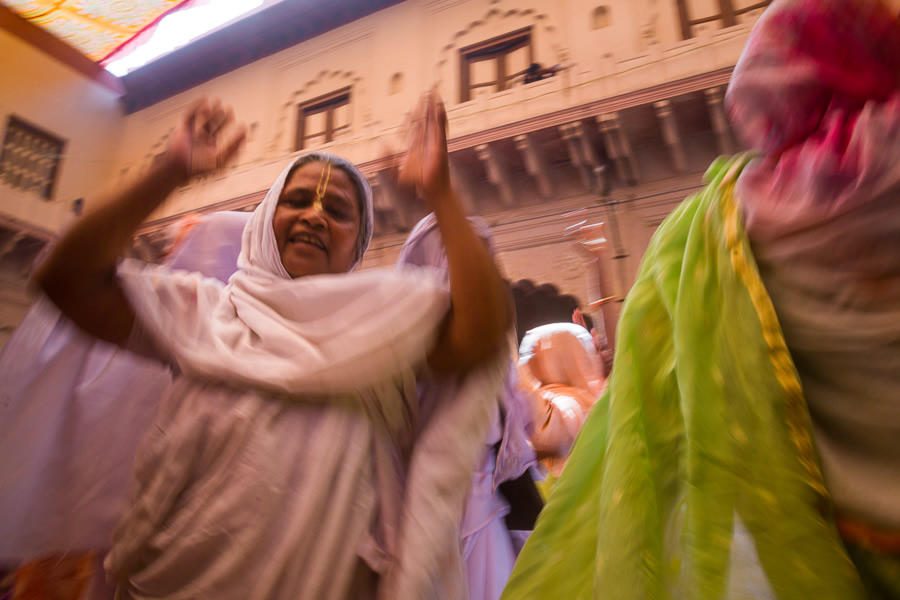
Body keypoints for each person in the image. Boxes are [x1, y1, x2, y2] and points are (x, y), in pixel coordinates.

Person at [26, 90, 512, 599]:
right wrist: (168, 173)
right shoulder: (205, 310)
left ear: (357, 243)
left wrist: (441, 194)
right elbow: (66, 278)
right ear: (262, 223)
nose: (315, 215)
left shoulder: (386, 322)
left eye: (338, 210)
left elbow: (480, 336)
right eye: (298, 200)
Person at [501, 0, 900, 598]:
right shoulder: (592, 392)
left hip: (769, 532)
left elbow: (605, 394)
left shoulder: (722, 225)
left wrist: (510, 365)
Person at [0, 211, 250, 599]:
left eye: (185, 248)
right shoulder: (163, 323)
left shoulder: (160, 322)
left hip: (104, 538)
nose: (174, 259)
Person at [397, 214, 538, 600]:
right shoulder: (396, 363)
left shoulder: (493, 365)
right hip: (420, 534)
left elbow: (510, 461)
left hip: (486, 526)